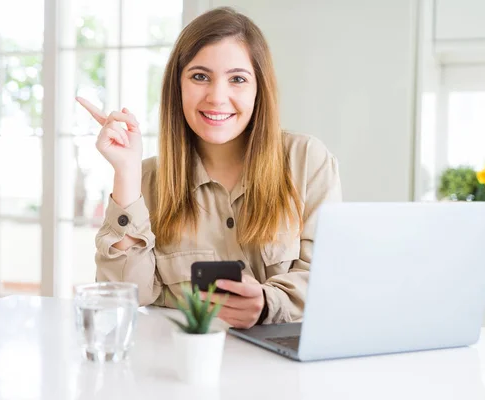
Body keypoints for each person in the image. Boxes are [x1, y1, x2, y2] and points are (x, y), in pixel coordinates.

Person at [77, 7, 342, 329]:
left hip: (286, 368)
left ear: (260, 89)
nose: (217, 97)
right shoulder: (145, 180)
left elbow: (328, 278)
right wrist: (127, 173)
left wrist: (267, 303)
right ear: (178, 86)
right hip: (180, 365)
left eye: (238, 79)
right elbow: (123, 298)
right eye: (200, 76)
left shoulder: (306, 160)